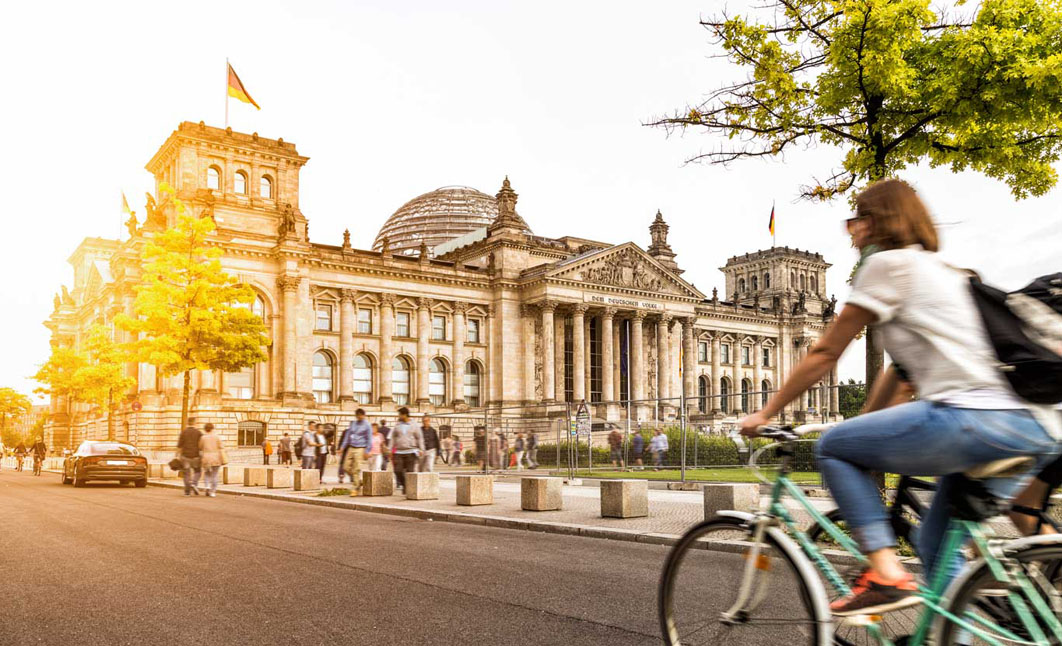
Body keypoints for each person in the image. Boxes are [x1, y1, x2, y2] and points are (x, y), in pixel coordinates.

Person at [738, 179, 1062, 616]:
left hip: (971, 418)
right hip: (1034, 426)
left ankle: (886, 572)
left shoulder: (887, 265)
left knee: (833, 447)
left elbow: (825, 352)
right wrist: (870, 424)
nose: (850, 230)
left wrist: (766, 412)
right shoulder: (948, 272)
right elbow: (903, 372)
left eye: (856, 219)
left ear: (877, 222)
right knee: (936, 545)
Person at [389, 407, 423, 492]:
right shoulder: (397, 425)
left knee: (410, 472)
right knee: (397, 470)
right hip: (399, 451)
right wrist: (390, 449)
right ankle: (404, 484)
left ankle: (408, 488)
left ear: (404, 415)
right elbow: (393, 437)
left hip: (411, 451)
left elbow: (419, 438)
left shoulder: (414, 425)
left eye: (400, 414)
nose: (399, 416)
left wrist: (421, 449)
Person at [340, 409, 372, 495]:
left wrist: (367, 451)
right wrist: (342, 447)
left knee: (356, 468)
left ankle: (356, 488)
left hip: (360, 447)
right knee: (345, 467)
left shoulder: (367, 425)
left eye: (360, 415)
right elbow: (347, 436)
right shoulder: (353, 423)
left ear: (364, 415)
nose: (359, 417)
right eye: (357, 415)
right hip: (351, 447)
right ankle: (357, 480)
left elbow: (369, 439)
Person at [198, 423, 225, 497]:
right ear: (212, 428)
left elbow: (200, 447)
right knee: (215, 475)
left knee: (207, 473)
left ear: (205, 429)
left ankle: (207, 486)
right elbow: (221, 446)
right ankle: (213, 491)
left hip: (206, 458)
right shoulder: (217, 437)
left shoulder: (203, 437)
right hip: (216, 458)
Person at [177, 424, 203, 496]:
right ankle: (194, 483)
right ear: (194, 423)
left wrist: (177, 455)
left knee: (186, 474)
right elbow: (201, 445)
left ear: (188, 423)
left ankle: (187, 492)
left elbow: (179, 445)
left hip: (185, 456)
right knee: (198, 472)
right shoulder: (198, 432)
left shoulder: (184, 432)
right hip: (196, 456)